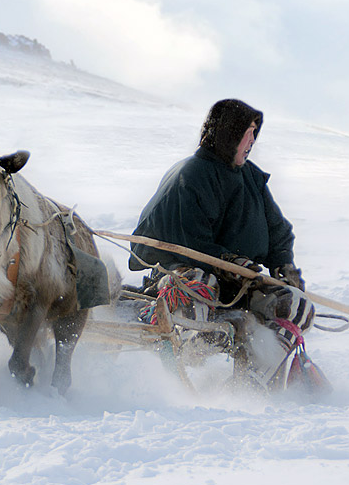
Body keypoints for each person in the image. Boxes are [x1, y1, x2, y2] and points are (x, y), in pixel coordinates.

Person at [129, 99, 316, 386]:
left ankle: (254, 381)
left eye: (255, 132)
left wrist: (284, 264)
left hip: (240, 286)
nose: (252, 140)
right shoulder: (191, 175)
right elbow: (186, 239)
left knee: (297, 304)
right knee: (199, 282)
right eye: (247, 132)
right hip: (184, 278)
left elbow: (278, 230)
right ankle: (191, 356)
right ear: (228, 134)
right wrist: (226, 261)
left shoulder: (251, 178)